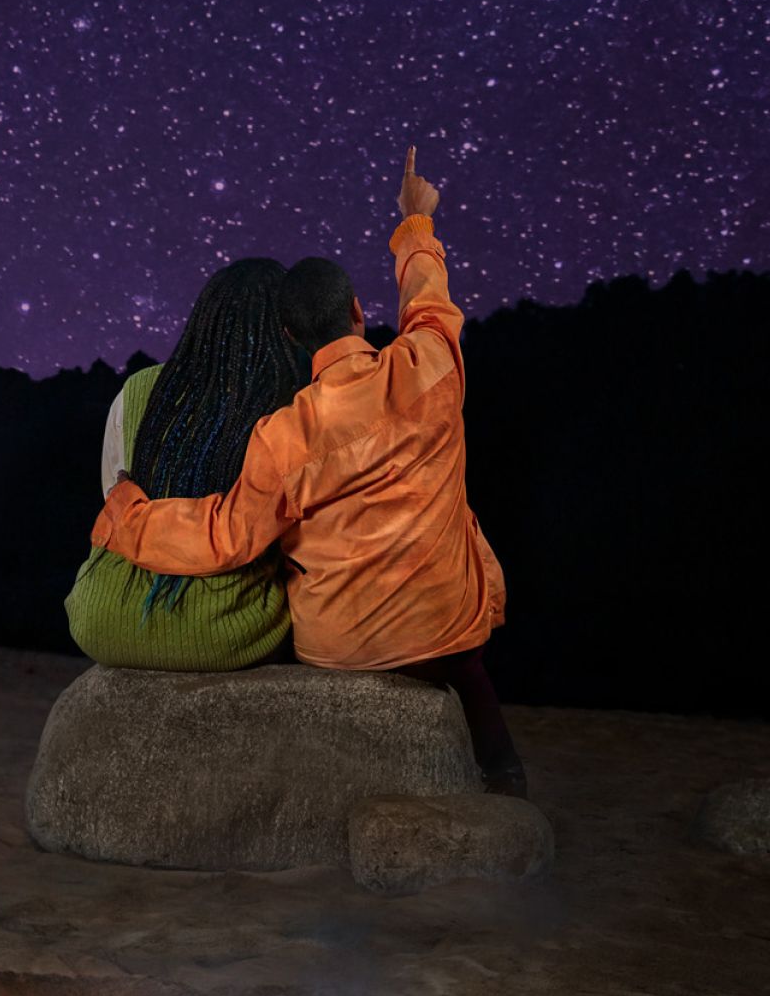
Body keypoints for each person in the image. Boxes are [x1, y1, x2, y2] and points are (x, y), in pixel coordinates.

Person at [90, 147, 525, 795]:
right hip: (444, 630)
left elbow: (224, 536)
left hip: (339, 649)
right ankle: (504, 774)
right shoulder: (429, 368)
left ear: (290, 337)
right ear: (356, 308)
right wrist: (414, 224)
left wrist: (127, 515)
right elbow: (428, 302)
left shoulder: (282, 434)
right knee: (468, 660)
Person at [64, 257, 305, 670]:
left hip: (103, 618)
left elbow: (113, 497)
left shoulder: (137, 388)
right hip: (226, 629)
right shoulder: (289, 408)